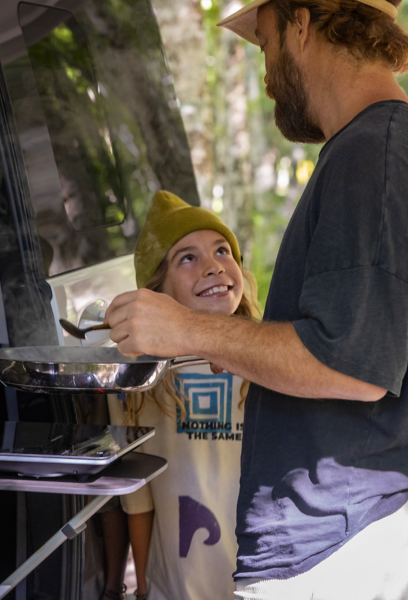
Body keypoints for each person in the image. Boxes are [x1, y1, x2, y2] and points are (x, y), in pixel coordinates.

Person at [104, 0, 408, 598]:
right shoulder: (394, 146)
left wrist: (188, 330)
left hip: (340, 540)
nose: (266, 70)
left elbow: (348, 364)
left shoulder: (373, 157)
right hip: (370, 515)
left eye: (266, 43)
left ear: (301, 23)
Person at [101, 190, 262, 600]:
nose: (213, 267)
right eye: (187, 258)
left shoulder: (268, 362)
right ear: (156, 293)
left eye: (223, 250)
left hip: (264, 582)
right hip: (176, 586)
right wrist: (142, 589)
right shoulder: (135, 381)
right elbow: (136, 501)